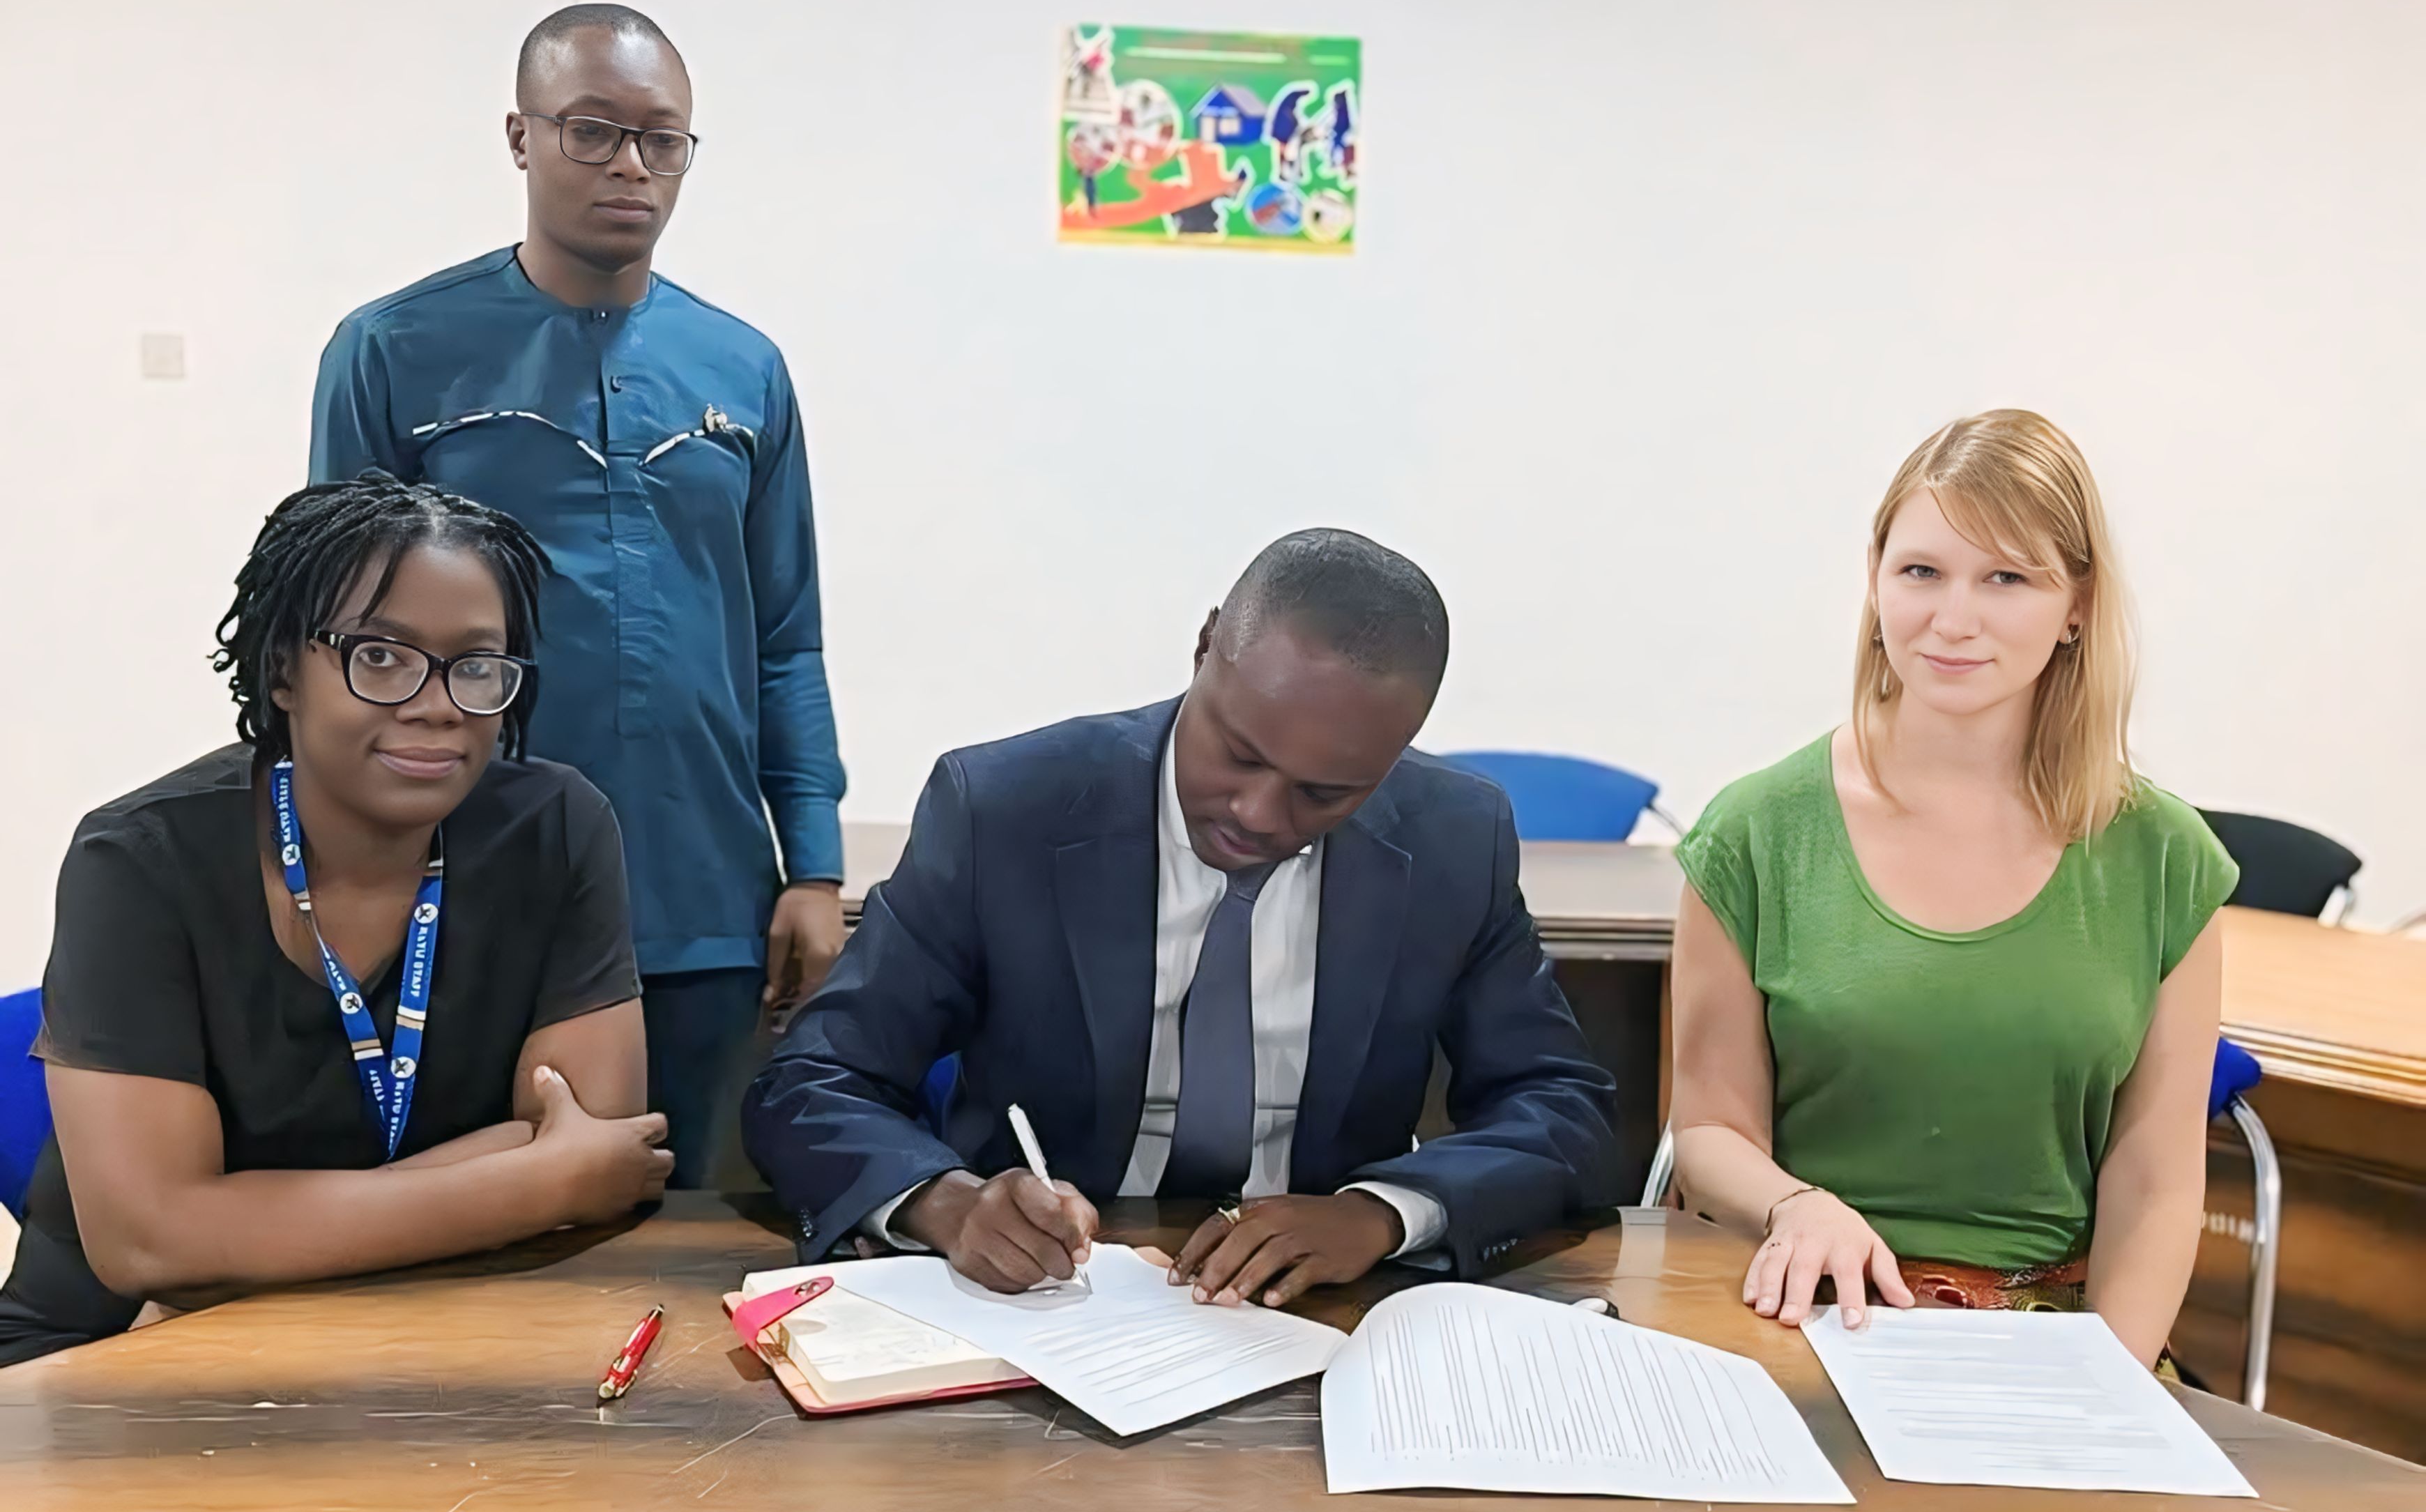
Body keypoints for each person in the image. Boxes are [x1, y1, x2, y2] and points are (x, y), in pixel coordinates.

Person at [745, 529, 1626, 1306]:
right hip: (1049, 1300)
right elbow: (814, 1081)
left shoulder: (1454, 840)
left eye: (1326, 794)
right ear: (1205, 648)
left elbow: (1558, 1105)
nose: (1259, 814)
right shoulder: (1004, 811)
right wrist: (948, 1204)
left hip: (1324, 1308)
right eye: (1238, 754)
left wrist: (1380, 1215)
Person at [307, 3, 844, 1188]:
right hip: (463, 888)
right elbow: (334, 646)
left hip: (704, 896)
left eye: (663, 140)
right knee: (476, 1221)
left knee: (702, 1230)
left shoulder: (744, 370)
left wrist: (811, 865)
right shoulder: (393, 351)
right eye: (593, 131)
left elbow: (785, 637)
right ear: (521, 135)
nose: (630, 167)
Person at [0, 475, 673, 1369]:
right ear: (285, 670)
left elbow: (597, 1134)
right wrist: (539, 1184)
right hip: (115, 1346)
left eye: (477, 665)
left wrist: (232, 1249)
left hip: (436, 1322)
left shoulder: (555, 828)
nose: (438, 703)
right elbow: (147, 1245)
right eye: (382, 656)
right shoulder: (139, 859)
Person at [1668, 411, 2236, 1370]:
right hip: (1804, 1322)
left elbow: (2156, 1183)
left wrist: (2106, 1386)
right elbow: (1710, 1132)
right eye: (1922, 571)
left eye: (2007, 578)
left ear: (2078, 605)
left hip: (2054, 1339)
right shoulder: (1754, 831)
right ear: (1876, 579)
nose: (1954, 618)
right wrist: (1796, 1205)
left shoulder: (2167, 858)